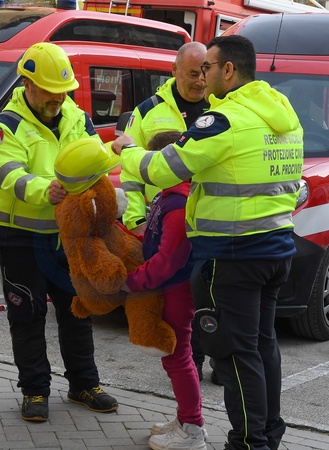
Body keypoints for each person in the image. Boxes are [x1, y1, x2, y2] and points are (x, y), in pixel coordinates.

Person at [112, 35, 304, 450]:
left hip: (231, 254)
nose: (204, 76)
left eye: (208, 68)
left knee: (233, 354)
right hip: (276, 246)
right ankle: (268, 433)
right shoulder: (283, 114)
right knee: (262, 346)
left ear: (228, 70)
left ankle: (248, 442)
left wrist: (127, 150)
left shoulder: (225, 120)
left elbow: (164, 168)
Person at [0, 42, 118, 423]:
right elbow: (8, 174)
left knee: (78, 309)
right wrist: (47, 190)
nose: (58, 99)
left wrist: (114, 155)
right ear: (27, 84)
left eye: (63, 92)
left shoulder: (78, 117)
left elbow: (95, 159)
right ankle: (34, 391)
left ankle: (84, 384)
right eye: (49, 91)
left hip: (69, 235)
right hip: (19, 236)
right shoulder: (6, 125)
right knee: (27, 313)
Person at [121, 41, 211, 381]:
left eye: (204, 73)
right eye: (192, 74)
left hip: (209, 220)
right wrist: (136, 219)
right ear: (174, 71)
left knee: (209, 296)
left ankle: (215, 359)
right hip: (167, 218)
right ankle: (191, 364)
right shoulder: (147, 111)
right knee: (178, 296)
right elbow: (130, 171)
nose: (200, 81)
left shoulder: (220, 106)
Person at [122, 130, 206, 450]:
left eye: (151, 164)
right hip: (169, 287)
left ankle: (193, 429)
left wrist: (132, 281)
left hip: (176, 289)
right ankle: (186, 419)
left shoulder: (178, 203)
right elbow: (154, 242)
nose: (148, 171)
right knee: (175, 357)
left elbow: (169, 260)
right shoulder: (167, 196)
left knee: (178, 357)